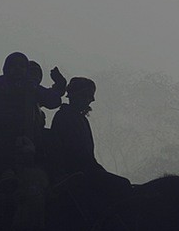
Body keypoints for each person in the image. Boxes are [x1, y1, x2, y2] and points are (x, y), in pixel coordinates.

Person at [41, 77, 130, 207]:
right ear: (76, 96)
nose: (92, 100)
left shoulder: (78, 118)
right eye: (88, 95)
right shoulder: (65, 117)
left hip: (85, 170)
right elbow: (77, 154)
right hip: (75, 173)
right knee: (123, 186)